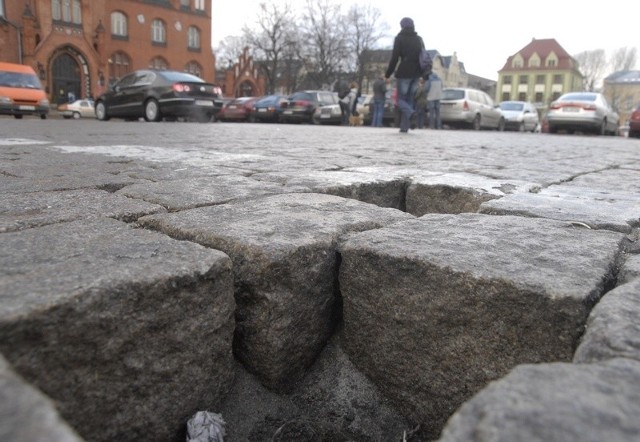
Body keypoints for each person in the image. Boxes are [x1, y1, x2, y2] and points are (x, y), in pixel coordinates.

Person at [385, 17, 426, 133]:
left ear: (402, 26)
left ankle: (411, 114)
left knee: (400, 99)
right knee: (409, 100)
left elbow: (394, 58)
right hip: (416, 73)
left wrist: (388, 74)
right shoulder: (419, 39)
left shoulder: (399, 39)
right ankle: (405, 127)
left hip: (404, 72)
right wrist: (424, 74)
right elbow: (423, 57)